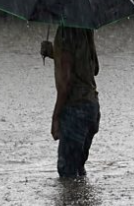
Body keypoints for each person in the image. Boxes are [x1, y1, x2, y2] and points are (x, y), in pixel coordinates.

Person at [41, 26, 101, 178]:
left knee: (67, 173)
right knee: (78, 172)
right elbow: (93, 68)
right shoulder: (86, 28)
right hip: (91, 108)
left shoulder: (65, 32)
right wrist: (55, 53)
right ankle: (83, 200)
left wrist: (55, 117)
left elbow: (66, 82)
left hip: (75, 109)